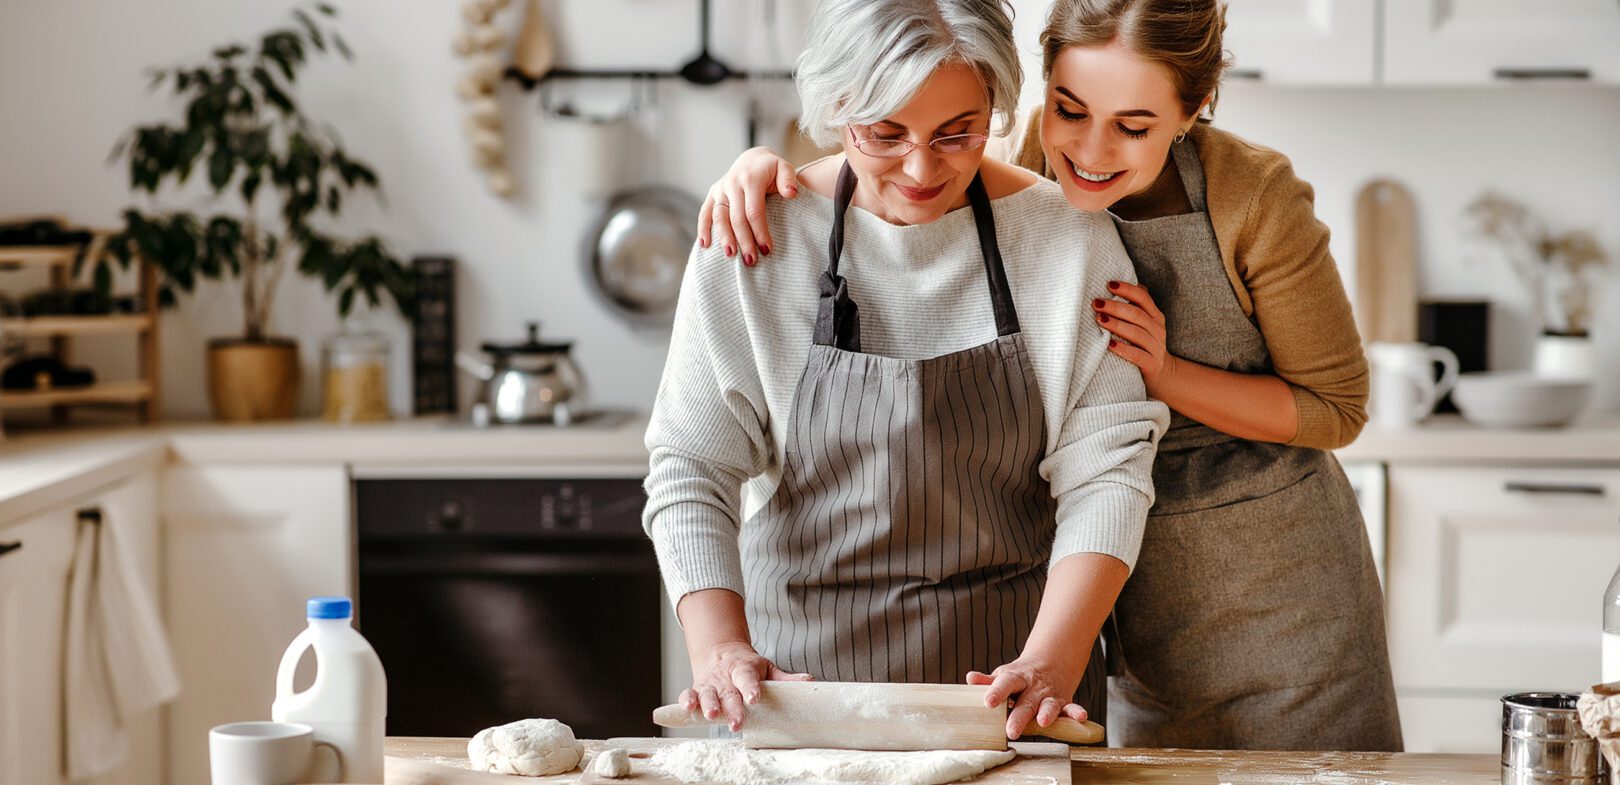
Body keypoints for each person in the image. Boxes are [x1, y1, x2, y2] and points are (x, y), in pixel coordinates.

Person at [691, 0, 1401, 752]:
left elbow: (1336, 408)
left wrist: (1161, 371)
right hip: (1120, 591)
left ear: (1191, 112)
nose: (1091, 151)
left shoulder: (1249, 199)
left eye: (1134, 126)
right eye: (1070, 109)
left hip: (1271, 587)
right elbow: (904, 157)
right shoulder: (1029, 169)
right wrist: (763, 170)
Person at [642, 0, 1167, 744]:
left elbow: (1108, 470)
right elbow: (692, 461)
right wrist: (719, 646)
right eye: (885, 134)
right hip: (798, 698)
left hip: (1013, 699)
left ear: (996, 105)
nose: (923, 169)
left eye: (959, 132)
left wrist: (1054, 658)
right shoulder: (757, 233)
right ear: (836, 108)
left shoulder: (1068, 238)